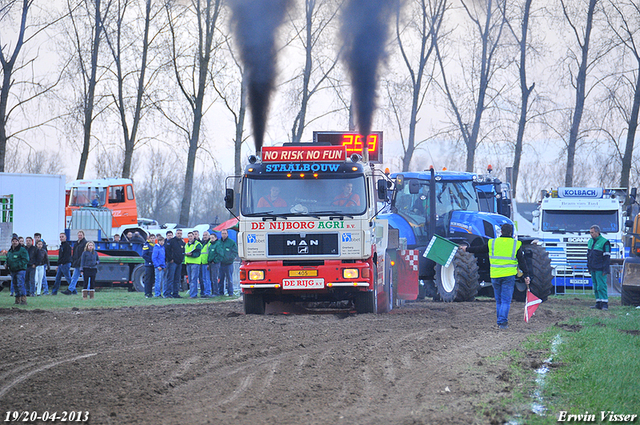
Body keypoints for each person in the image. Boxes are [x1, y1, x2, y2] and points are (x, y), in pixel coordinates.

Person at [462, 223, 530, 329]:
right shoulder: (515, 244)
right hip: (508, 276)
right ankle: (502, 323)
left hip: (495, 275)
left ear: (501, 232)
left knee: (499, 301)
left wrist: (466, 249)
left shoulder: (492, 243)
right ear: (511, 232)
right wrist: (526, 275)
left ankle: (500, 322)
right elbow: (522, 261)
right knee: (506, 301)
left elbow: (479, 249)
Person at [587, 224, 611, 310]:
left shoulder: (605, 242)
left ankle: (604, 303)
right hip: (593, 268)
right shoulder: (590, 241)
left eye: (592, 232)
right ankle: (598, 302)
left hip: (600, 269)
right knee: (596, 286)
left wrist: (605, 269)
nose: (591, 234)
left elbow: (607, 257)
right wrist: (589, 267)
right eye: (590, 232)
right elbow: (588, 255)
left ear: (597, 232)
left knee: (601, 286)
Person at [6, 236, 29, 305]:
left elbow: (25, 260)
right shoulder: (10, 251)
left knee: (20, 284)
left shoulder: (22, 250)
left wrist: (18, 265)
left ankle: (23, 299)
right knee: (15, 285)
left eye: (16, 241)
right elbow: (7, 259)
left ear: (18, 242)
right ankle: (17, 299)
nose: (14, 242)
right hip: (13, 270)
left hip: (20, 270)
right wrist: (6, 264)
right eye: (13, 241)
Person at [63, 230, 87, 295]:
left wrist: (79, 261)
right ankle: (70, 290)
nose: (79, 236)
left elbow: (83, 254)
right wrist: (73, 260)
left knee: (86, 278)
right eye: (79, 235)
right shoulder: (76, 243)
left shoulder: (85, 243)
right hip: (77, 263)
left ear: (83, 236)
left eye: (81, 235)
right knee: (74, 277)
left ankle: (88, 290)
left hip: (82, 264)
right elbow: (74, 253)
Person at [217, 229, 238, 297]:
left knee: (229, 279)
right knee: (221, 279)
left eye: (225, 233)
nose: (224, 235)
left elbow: (235, 252)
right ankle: (221, 292)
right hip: (220, 264)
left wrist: (230, 258)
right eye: (223, 233)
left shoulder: (231, 242)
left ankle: (230, 292)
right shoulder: (218, 242)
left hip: (229, 264)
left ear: (227, 234)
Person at [165, 229, 185, 298]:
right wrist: (170, 259)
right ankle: (168, 293)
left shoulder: (182, 242)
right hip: (173, 263)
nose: (179, 234)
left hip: (179, 263)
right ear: (175, 234)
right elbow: (167, 250)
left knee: (177, 279)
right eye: (178, 233)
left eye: (180, 233)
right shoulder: (171, 241)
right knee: (170, 278)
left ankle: (175, 293)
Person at [184, 232, 203, 298]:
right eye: (189, 236)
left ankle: (193, 294)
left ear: (193, 236)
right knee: (190, 279)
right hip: (188, 263)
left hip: (195, 263)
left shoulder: (198, 244)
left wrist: (191, 254)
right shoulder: (186, 244)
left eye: (191, 236)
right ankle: (192, 293)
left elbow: (198, 253)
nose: (190, 237)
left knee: (194, 279)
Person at [142, 233, 156, 298]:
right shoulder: (146, 245)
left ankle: (150, 293)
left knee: (152, 279)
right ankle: (147, 293)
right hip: (148, 265)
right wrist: (151, 260)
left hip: (154, 265)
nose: (152, 239)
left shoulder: (155, 245)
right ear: (149, 239)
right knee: (148, 279)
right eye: (151, 238)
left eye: (153, 238)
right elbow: (144, 255)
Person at [200, 231, 213, 298]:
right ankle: (205, 292)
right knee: (204, 279)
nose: (204, 236)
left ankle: (208, 292)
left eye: (206, 235)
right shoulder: (203, 243)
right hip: (202, 264)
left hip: (207, 264)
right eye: (204, 235)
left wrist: (209, 263)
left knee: (207, 279)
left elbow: (210, 254)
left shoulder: (209, 244)